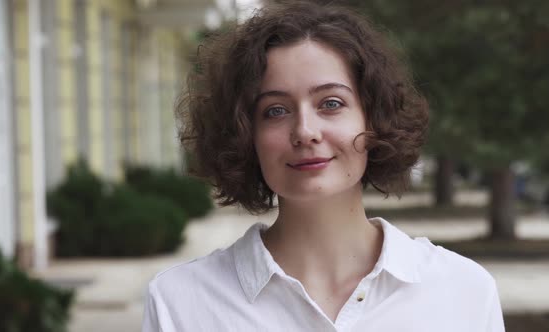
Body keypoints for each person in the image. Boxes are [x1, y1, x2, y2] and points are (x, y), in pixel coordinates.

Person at [142, 1, 505, 331]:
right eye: (276, 111)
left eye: (331, 103)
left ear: (373, 119)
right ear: (244, 135)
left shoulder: (464, 292)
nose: (305, 131)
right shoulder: (180, 303)